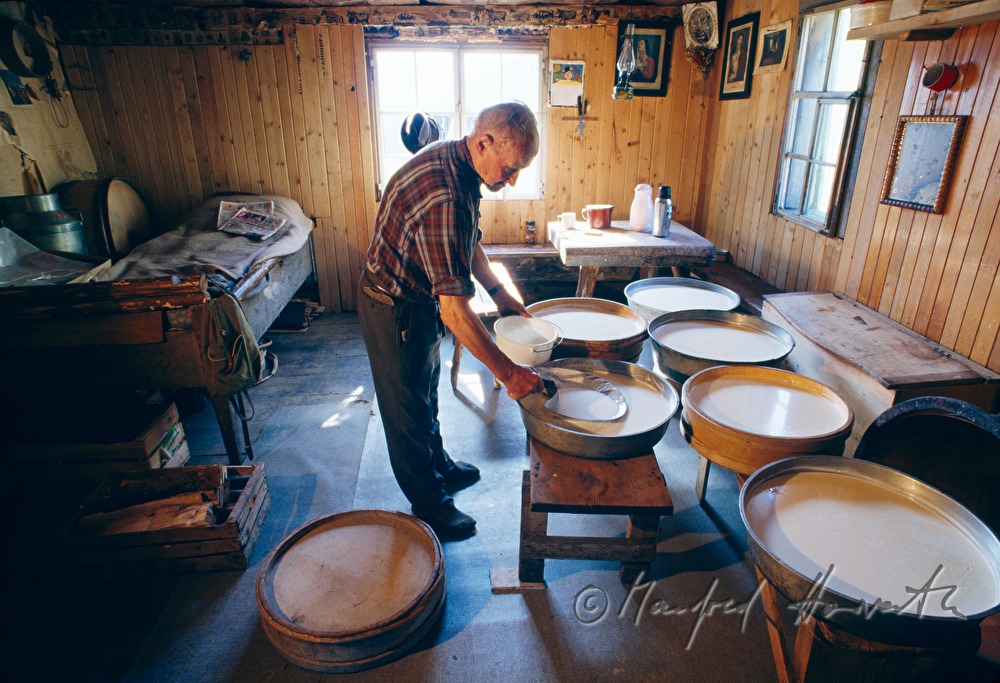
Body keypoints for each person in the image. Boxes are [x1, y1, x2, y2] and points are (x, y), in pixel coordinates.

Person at [359, 102, 542, 540]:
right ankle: (430, 505)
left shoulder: (461, 164)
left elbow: (466, 241)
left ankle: (439, 464)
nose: (513, 179)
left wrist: (499, 294)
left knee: (426, 391)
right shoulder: (446, 194)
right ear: (484, 143)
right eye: (511, 167)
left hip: (416, 296)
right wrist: (511, 374)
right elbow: (455, 311)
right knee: (407, 410)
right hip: (392, 303)